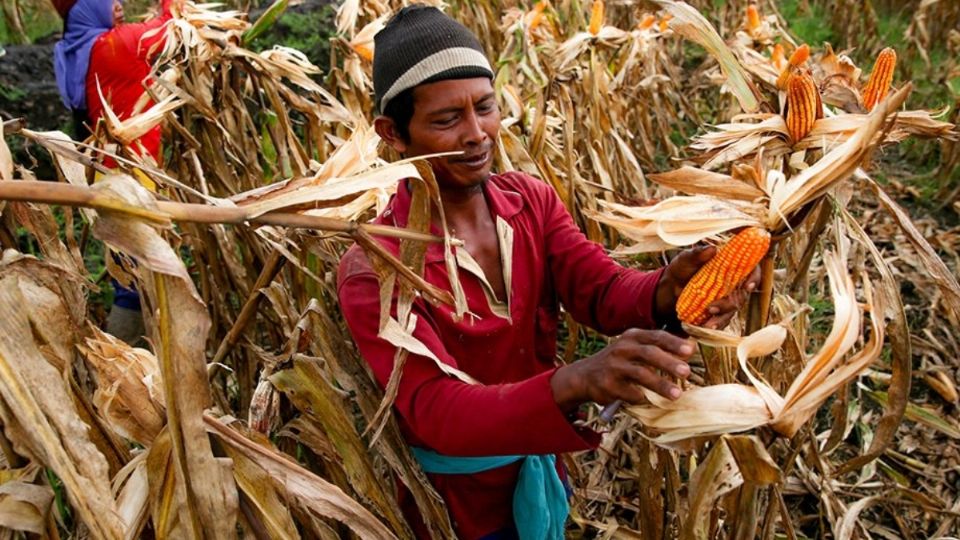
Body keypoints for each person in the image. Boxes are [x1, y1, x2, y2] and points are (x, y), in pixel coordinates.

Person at [337, 6, 757, 539]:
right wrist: (576, 380)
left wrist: (670, 287)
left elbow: (601, 291)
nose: (477, 133)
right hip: (454, 508)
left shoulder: (528, 201)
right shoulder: (376, 267)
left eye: (485, 107)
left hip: (540, 471)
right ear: (393, 133)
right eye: (447, 119)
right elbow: (436, 410)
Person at [53, 0, 173, 344]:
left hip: (109, 174)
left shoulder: (78, 45)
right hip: (133, 177)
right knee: (135, 282)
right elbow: (171, 27)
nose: (118, 5)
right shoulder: (113, 46)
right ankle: (118, 362)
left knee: (132, 275)